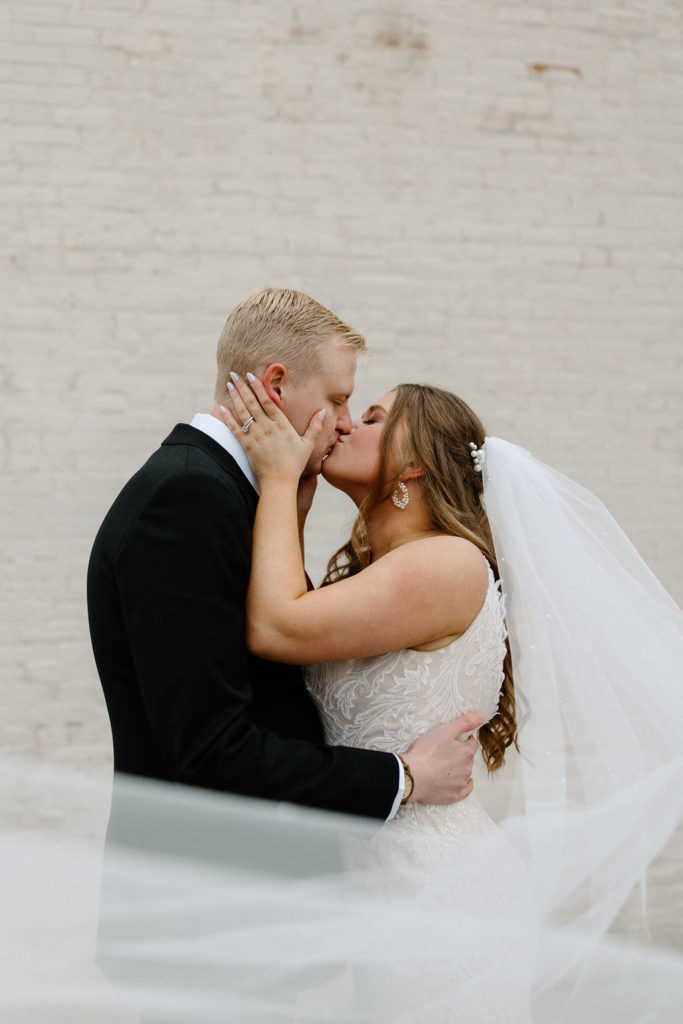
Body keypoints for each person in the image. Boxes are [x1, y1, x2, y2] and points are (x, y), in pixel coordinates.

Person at [217, 375, 683, 1022]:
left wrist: (272, 477)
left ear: (414, 464)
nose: (346, 424)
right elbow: (291, 619)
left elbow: (273, 626)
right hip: (384, 884)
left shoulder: (444, 564)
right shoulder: (379, 570)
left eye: (374, 418)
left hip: (438, 891)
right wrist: (293, 502)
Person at [86, 287, 482, 827]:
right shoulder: (186, 500)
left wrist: (286, 500)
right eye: (340, 399)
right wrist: (403, 777)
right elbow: (211, 752)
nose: (344, 423)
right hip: (211, 882)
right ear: (276, 384)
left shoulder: (231, 495)